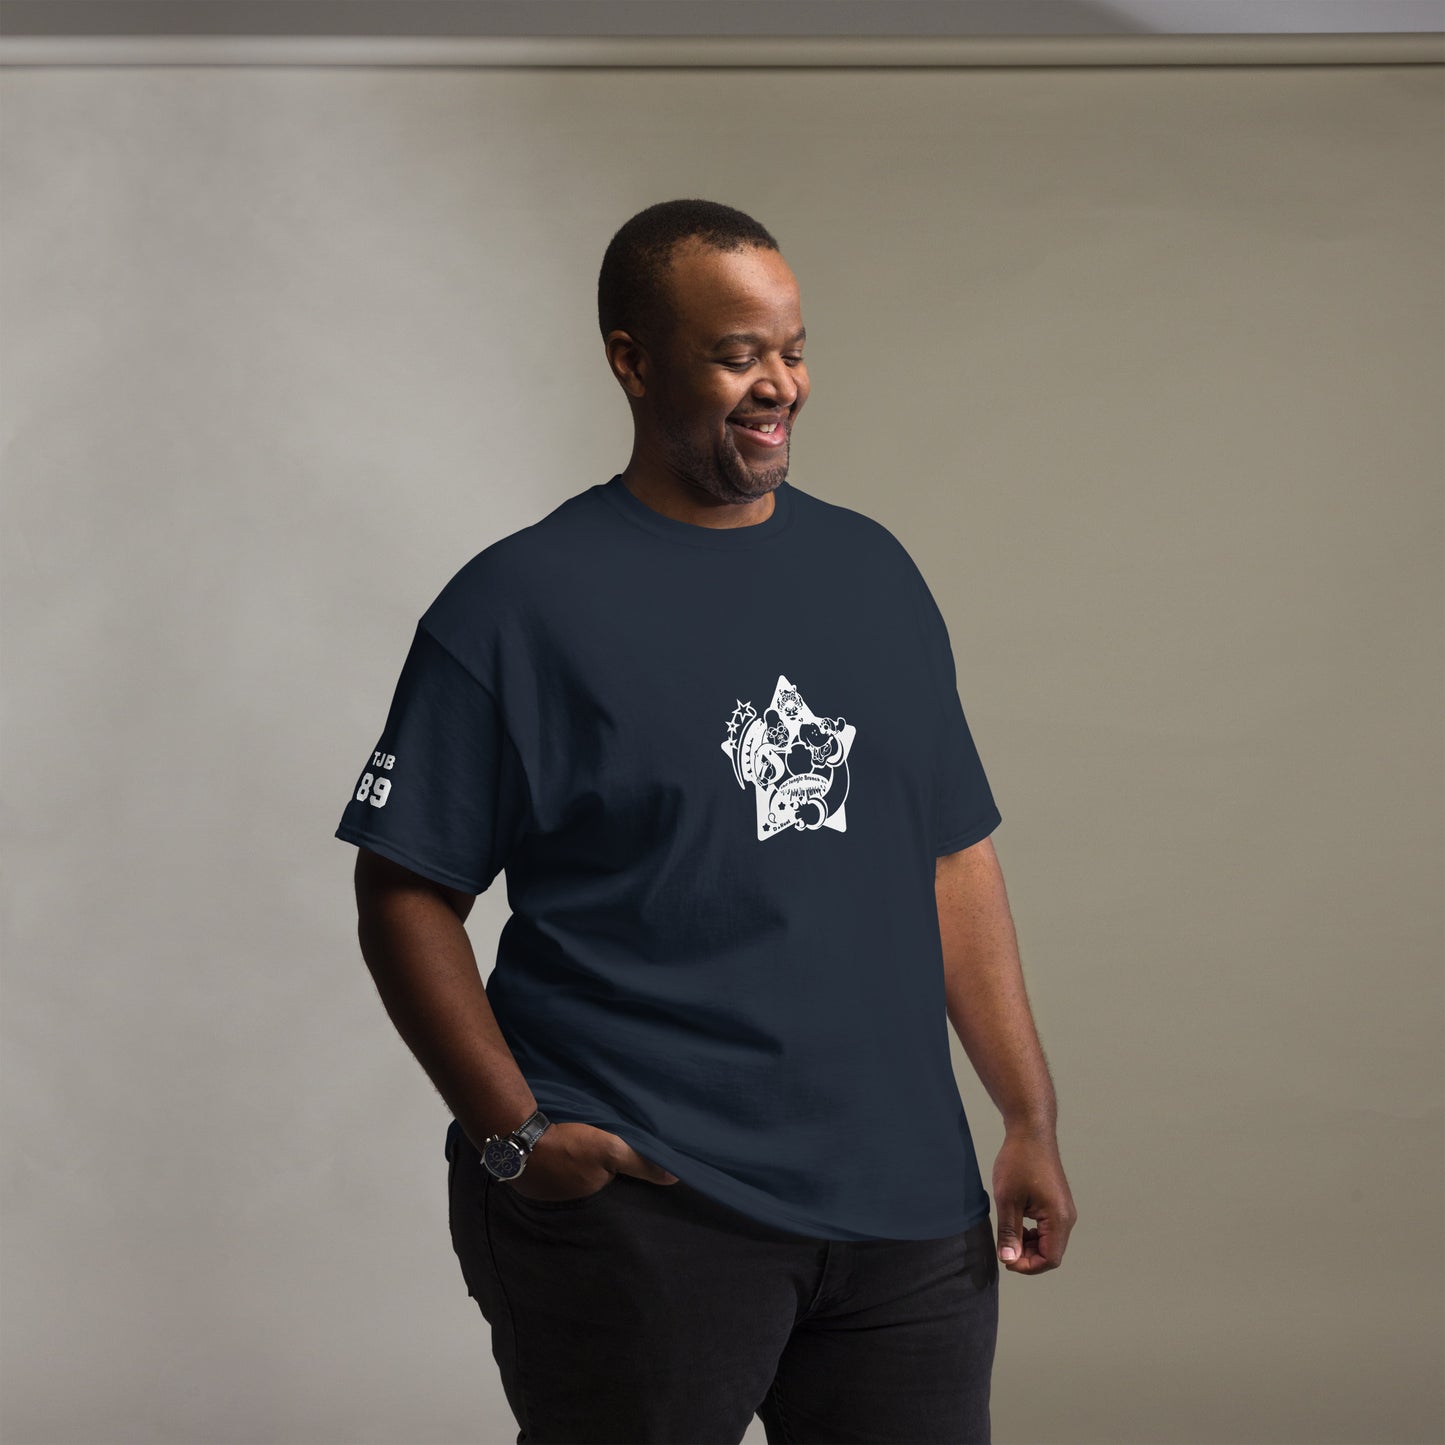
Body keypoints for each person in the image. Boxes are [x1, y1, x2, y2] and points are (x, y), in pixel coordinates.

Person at [336, 197, 1076, 1445]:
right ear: (632, 359)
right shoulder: (517, 603)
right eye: (737, 353)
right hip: (648, 1209)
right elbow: (403, 888)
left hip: (904, 1212)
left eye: (790, 348)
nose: (776, 383)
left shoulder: (875, 576)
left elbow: (951, 857)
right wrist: (514, 1135)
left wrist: (1025, 1117)